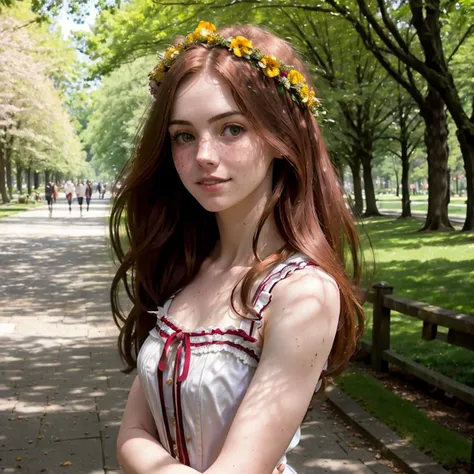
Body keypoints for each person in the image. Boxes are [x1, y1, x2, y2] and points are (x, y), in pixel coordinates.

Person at [109, 21, 365, 474]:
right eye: (184, 135)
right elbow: (131, 434)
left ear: (279, 138)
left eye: (231, 129)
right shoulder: (186, 267)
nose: (204, 155)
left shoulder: (301, 294)